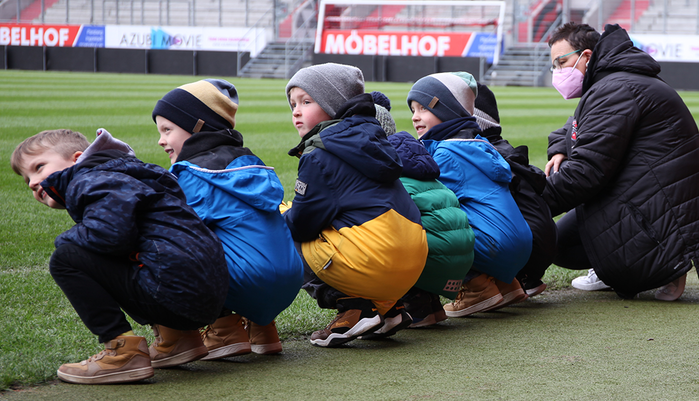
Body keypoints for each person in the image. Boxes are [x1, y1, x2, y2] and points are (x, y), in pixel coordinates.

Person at [10, 128, 229, 384]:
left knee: (66, 257)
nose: (33, 183)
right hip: (210, 296)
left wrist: (64, 240)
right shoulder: (130, 172)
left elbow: (110, 235)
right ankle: (178, 338)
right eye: (27, 179)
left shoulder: (89, 179)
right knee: (135, 250)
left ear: (76, 158)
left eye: (38, 167)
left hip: (175, 293)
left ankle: (122, 352)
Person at [543, 23, 699, 300]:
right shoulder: (615, 80)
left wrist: (531, 204)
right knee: (562, 241)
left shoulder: (615, 87)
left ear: (586, 56)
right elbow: (576, 124)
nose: (557, 72)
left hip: (664, 207)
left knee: (556, 240)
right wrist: (560, 148)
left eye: (561, 62)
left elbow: (587, 172)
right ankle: (609, 266)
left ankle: (669, 265)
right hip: (657, 196)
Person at [152, 79, 304, 362]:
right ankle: (263, 328)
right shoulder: (251, 163)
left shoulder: (191, 174)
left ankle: (223, 330)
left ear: (197, 126)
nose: (161, 140)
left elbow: (174, 238)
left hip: (247, 282)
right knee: (244, 236)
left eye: (167, 130)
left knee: (156, 240)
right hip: (290, 281)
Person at [283, 63, 428, 347]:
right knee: (349, 224)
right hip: (413, 262)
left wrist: (285, 215)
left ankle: (353, 306)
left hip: (378, 263)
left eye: (306, 101)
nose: (296, 111)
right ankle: (389, 309)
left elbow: (303, 224)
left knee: (286, 232)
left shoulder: (318, 153)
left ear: (332, 104)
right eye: (293, 105)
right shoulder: (375, 139)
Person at [407, 71, 533, 317]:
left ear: (446, 110)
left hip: (495, 245)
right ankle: (505, 285)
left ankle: (476, 288)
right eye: (413, 110)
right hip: (519, 247)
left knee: (423, 223)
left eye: (423, 109)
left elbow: (434, 210)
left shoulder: (446, 154)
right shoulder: (479, 145)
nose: (415, 117)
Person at [372, 91, 475, 328]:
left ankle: (416, 305)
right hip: (463, 260)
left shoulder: (384, 172)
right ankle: (432, 306)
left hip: (435, 260)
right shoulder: (420, 159)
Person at [473, 82, 558, 297]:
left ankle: (483, 286)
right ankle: (521, 279)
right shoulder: (507, 151)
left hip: (519, 256)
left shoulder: (477, 155)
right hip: (542, 253)